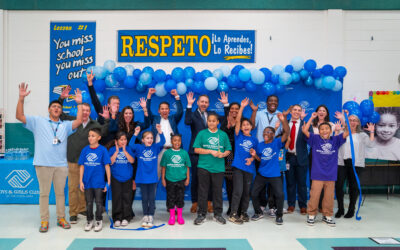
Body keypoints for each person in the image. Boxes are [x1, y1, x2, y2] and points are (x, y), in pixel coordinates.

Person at [16, 83, 83, 233]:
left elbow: (78, 121)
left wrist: (79, 103)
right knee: (44, 194)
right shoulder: (38, 121)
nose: (56, 108)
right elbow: (19, 116)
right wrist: (21, 98)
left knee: (60, 194)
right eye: (53, 106)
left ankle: (61, 218)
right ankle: (44, 220)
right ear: (49, 109)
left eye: (58, 107)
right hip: (42, 164)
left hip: (60, 165)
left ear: (61, 110)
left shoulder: (65, 125)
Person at [58, 86, 110, 224]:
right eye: (83, 110)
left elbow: (103, 132)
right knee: (73, 187)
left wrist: (107, 120)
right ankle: (73, 212)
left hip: (89, 163)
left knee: (84, 187)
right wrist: (61, 99)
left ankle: (82, 209)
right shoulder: (72, 121)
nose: (85, 112)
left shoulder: (94, 124)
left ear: (90, 112)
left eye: (87, 110)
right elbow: (60, 115)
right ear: (80, 110)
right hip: (73, 160)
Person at [302, 112, 348, 227]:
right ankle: (311, 214)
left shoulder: (336, 140)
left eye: (327, 128)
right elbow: (304, 131)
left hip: (331, 174)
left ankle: (327, 215)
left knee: (329, 197)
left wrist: (343, 119)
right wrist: (311, 118)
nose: (324, 131)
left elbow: (348, 132)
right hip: (317, 174)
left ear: (331, 130)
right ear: (318, 130)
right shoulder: (315, 139)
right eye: (321, 129)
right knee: (315, 196)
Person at [185, 92, 227, 213]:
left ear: (208, 104)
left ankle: (209, 203)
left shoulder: (212, 115)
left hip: (211, 153)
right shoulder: (192, 114)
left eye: (206, 102)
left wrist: (225, 105)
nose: (204, 104)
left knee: (210, 179)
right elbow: (187, 121)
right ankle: (195, 203)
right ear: (197, 103)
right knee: (196, 180)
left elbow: (225, 119)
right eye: (202, 101)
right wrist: (188, 105)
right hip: (196, 153)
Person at [250, 112, 289, 225]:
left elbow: (287, 132)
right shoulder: (260, 144)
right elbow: (260, 159)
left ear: (273, 134)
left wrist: (283, 120)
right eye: (264, 132)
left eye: (269, 132)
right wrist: (254, 155)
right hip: (262, 174)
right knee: (253, 193)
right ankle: (258, 212)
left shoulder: (277, 143)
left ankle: (279, 215)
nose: (266, 133)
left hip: (275, 174)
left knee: (280, 195)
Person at [193, 113, 232, 225]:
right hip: (204, 167)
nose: (211, 123)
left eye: (214, 121)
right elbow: (196, 149)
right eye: (209, 121)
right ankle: (201, 214)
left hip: (218, 168)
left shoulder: (223, 135)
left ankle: (218, 214)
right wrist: (210, 151)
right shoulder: (202, 134)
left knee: (217, 192)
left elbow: (228, 150)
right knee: (202, 191)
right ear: (207, 122)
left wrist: (223, 154)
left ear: (218, 122)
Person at [335, 114, 375, 218]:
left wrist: (371, 132)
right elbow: (334, 143)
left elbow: (371, 144)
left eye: (354, 120)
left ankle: (351, 210)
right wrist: (336, 131)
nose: (352, 122)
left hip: (356, 164)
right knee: (339, 186)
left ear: (357, 123)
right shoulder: (342, 133)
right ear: (347, 122)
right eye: (350, 120)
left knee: (353, 187)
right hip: (341, 163)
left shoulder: (362, 135)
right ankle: (340, 209)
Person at [250, 95, 282, 216]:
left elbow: (283, 133)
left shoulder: (280, 115)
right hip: (260, 150)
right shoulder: (259, 113)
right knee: (261, 180)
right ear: (267, 102)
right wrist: (254, 111)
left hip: (274, 151)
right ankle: (262, 205)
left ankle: (273, 206)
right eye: (270, 101)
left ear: (277, 103)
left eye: (275, 101)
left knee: (274, 181)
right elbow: (252, 126)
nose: (273, 103)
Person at [228, 98, 258, 224]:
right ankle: (233, 214)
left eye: (248, 125)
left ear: (251, 127)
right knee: (238, 191)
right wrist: (242, 107)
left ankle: (243, 212)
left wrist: (252, 157)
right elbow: (238, 120)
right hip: (238, 167)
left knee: (246, 193)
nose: (245, 126)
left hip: (249, 169)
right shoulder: (238, 135)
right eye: (243, 125)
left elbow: (257, 157)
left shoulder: (255, 140)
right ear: (240, 128)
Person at [129, 125, 165, 228]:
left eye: (151, 138)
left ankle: (151, 216)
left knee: (151, 198)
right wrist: (135, 134)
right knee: (144, 198)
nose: (150, 140)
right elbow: (131, 145)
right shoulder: (139, 148)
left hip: (153, 178)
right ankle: (145, 215)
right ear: (143, 140)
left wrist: (160, 131)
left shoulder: (155, 147)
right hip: (142, 178)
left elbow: (162, 142)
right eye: (147, 138)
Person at [146, 88, 183, 179]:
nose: (164, 110)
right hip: (158, 151)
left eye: (166, 109)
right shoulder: (155, 119)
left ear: (169, 110)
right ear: (159, 111)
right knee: (156, 176)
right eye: (162, 109)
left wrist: (177, 96)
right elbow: (147, 111)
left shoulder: (173, 119)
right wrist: (149, 96)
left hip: (172, 151)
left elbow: (180, 112)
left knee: (173, 177)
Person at [79, 128, 111, 232]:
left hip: (99, 182)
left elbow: (107, 166)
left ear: (99, 138)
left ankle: (98, 220)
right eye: (89, 136)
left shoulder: (102, 150)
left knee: (98, 202)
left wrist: (108, 182)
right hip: (87, 182)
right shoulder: (85, 150)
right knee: (88, 203)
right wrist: (80, 181)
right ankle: (89, 220)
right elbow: (82, 166)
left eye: (93, 136)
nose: (90, 138)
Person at [309, 105, 336, 211]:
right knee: (315, 181)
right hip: (315, 155)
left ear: (327, 113)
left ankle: (323, 206)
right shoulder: (312, 124)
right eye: (319, 110)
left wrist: (343, 119)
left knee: (327, 182)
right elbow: (307, 135)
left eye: (323, 111)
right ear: (316, 112)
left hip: (328, 155)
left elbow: (334, 139)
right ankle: (314, 205)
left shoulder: (332, 125)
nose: (321, 112)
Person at [161, 134, 191, 225]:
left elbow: (187, 166)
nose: (177, 142)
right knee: (170, 198)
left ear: (181, 142)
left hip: (181, 179)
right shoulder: (167, 153)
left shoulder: (184, 153)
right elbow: (163, 167)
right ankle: (172, 216)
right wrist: (163, 179)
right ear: (171, 142)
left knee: (180, 198)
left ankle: (180, 216)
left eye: (179, 140)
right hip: (170, 179)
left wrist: (188, 178)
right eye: (175, 140)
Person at [285, 104, 310, 215]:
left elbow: (310, 138)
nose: (296, 112)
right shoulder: (285, 123)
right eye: (294, 109)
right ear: (290, 111)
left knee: (302, 184)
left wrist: (306, 131)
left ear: (301, 113)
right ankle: (291, 205)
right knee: (290, 183)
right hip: (288, 158)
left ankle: (303, 206)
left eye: (299, 110)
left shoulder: (305, 124)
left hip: (301, 158)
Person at [219, 92, 240, 216]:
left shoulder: (242, 121)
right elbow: (220, 135)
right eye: (232, 109)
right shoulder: (223, 121)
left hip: (238, 156)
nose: (234, 111)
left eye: (236, 109)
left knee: (237, 184)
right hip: (225, 157)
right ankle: (230, 207)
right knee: (229, 184)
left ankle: (235, 208)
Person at [87, 71, 121, 145]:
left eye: (118, 103)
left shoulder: (121, 115)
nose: (117, 105)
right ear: (108, 105)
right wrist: (90, 83)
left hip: (115, 147)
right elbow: (94, 99)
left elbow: (115, 129)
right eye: (114, 103)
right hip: (102, 145)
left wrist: (113, 116)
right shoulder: (102, 111)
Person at [109, 132, 135, 227]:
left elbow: (132, 161)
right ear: (116, 141)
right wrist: (116, 152)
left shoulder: (129, 149)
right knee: (117, 198)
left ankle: (126, 217)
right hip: (116, 177)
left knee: (127, 198)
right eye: (121, 139)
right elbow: (110, 162)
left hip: (127, 177)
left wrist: (124, 151)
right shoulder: (112, 150)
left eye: (125, 139)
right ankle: (117, 218)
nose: (123, 141)